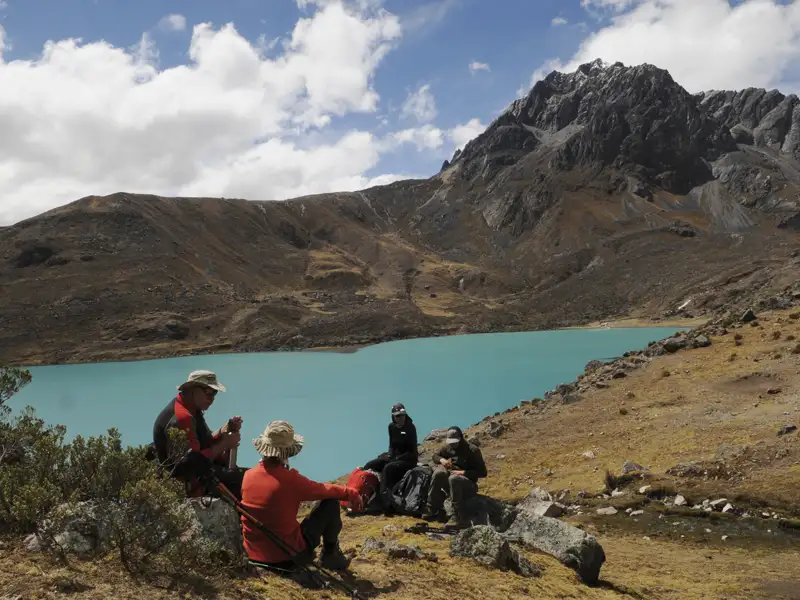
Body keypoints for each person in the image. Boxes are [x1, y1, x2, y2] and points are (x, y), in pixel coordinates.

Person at [240, 420, 364, 572]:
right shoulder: (291, 480)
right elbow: (324, 490)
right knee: (330, 503)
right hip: (287, 557)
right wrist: (352, 493)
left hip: (252, 554)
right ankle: (330, 555)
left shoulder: (248, 476)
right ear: (287, 453)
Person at [152, 369, 245, 498]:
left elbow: (203, 442)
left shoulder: (191, 409)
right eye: (208, 393)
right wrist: (224, 444)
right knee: (247, 482)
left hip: (199, 473)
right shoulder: (183, 417)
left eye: (215, 393)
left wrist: (225, 429)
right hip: (190, 483)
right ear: (192, 390)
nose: (212, 398)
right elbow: (194, 464)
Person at [422, 426, 487, 527]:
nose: (452, 444)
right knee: (439, 473)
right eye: (450, 442)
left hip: (468, 486)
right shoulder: (448, 448)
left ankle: (457, 515)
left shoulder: (472, 450)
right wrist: (441, 460)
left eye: (454, 442)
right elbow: (435, 456)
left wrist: (463, 473)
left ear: (461, 438)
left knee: (454, 478)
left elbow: (482, 472)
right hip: (452, 483)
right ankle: (431, 508)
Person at [361, 403, 418, 510]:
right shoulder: (391, 427)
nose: (401, 418)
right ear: (393, 416)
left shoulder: (411, 427)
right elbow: (392, 444)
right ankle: (360, 494)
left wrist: (395, 459)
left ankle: (386, 502)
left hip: (408, 460)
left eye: (402, 415)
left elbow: (412, 451)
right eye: (397, 416)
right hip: (395, 456)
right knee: (371, 464)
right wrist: (389, 455)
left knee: (388, 468)